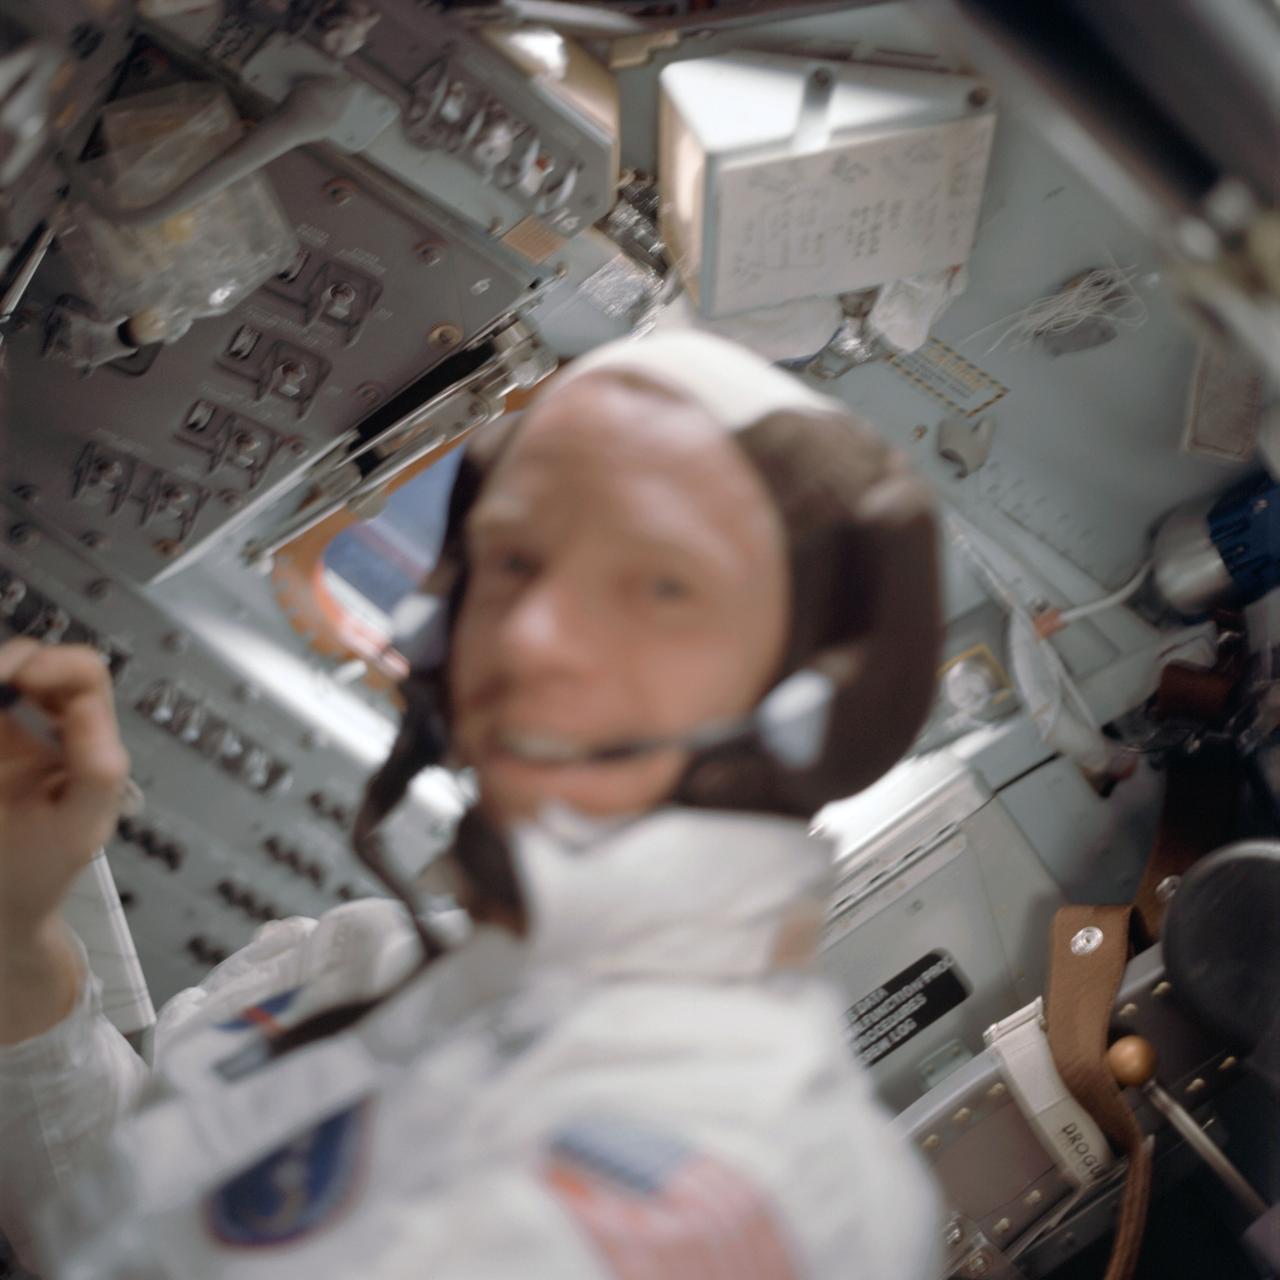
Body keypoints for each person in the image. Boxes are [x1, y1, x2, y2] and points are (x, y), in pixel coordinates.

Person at [0, 331, 943, 1278]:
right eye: (514, 563)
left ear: (815, 706)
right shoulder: (345, 966)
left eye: (660, 585)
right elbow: (104, 1222)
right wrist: (16, 938)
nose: (531, 639)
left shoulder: (806, 1205)